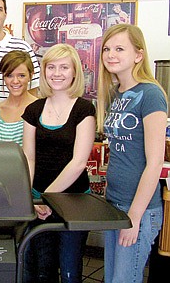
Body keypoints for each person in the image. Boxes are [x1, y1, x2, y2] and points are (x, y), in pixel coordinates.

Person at [96, 24, 167, 283]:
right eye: (106, 49)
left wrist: (134, 216)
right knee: (113, 278)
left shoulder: (151, 94)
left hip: (138, 209)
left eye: (119, 48)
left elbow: (155, 162)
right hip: (114, 203)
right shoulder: (116, 94)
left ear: (138, 54)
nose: (110, 54)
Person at [22, 43, 96, 282]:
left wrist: (47, 198)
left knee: (69, 270)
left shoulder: (84, 109)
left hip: (73, 201)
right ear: (43, 72)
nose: (57, 73)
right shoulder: (33, 110)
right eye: (51, 67)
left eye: (64, 67)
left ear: (75, 72)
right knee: (41, 270)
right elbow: (28, 157)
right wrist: (31, 199)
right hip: (38, 203)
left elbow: (78, 163)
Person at [0, 50, 37, 145]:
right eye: (9, 75)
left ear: (31, 75)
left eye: (21, 76)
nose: (15, 81)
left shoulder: (40, 108)